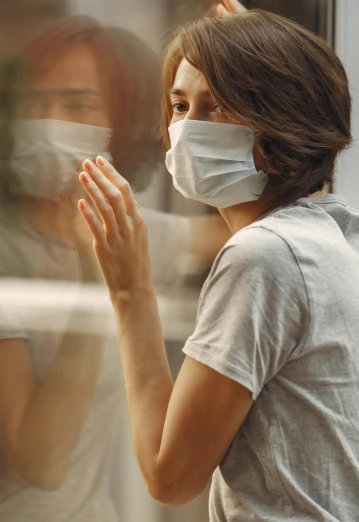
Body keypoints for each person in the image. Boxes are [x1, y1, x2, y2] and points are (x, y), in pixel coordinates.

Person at [0, 14, 228, 522]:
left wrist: (252, 79)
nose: (48, 121)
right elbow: (41, 461)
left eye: (76, 104)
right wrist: (95, 272)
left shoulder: (133, 231)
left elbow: (271, 229)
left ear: (122, 122)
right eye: (34, 103)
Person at [77, 9, 359, 521]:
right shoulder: (335, 238)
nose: (188, 130)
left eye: (220, 107)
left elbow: (171, 476)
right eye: (180, 105)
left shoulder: (263, 256)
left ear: (283, 120)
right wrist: (258, 50)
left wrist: (129, 290)